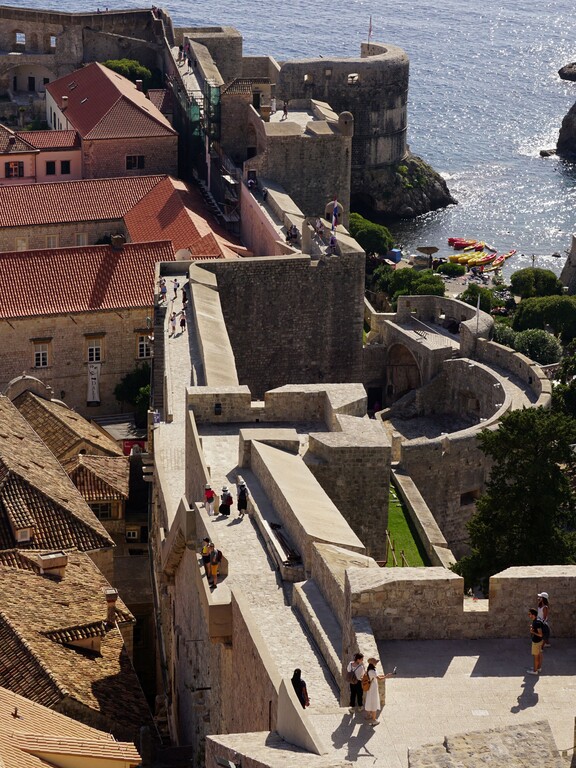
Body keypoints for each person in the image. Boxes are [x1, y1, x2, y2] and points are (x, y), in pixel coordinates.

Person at [363, 657, 395, 725]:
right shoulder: (372, 671)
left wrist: (384, 675)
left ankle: (368, 715)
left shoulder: (370, 670)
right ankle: (374, 720)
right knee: (374, 703)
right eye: (375, 662)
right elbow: (379, 678)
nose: (376, 664)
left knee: (369, 701)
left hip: (370, 688)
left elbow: (376, 676)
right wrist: (386, 677)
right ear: (373, 663)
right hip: (373, 689)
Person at [527, 608, 544, 675]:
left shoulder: (536, 623)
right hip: (540, 641)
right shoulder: (537, 621)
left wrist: (532, 632)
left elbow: (540, 634)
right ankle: (538, 668)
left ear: (533, 615)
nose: (529, 615)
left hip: (536, 642)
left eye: (529, 614)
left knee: (535, 656)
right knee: (539, 655)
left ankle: (535, 671)